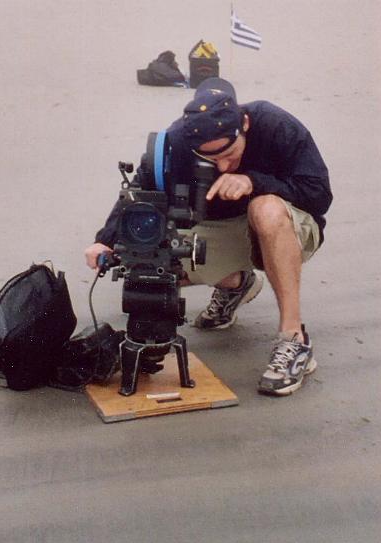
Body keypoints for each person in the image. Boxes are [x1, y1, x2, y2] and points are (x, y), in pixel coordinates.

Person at [85, 77, 333, 396]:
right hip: (219, 231)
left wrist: (253, 181)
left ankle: (294, 339)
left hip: (288, 227)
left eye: (229, 153)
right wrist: (105, 240)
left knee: (265, 209)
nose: (222, 164)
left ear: (244, 123)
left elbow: (319, 195)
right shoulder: (175, 140)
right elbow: (140, 189)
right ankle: (234, 284)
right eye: (211, 159)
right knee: (150, 272)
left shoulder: (275, 125)